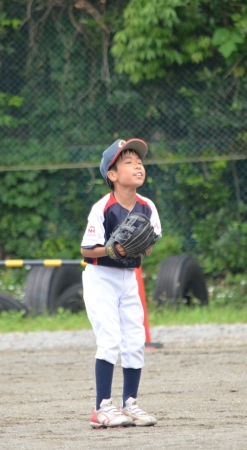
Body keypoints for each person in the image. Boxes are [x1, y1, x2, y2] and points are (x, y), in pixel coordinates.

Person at [80, 138, 162, 428]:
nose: (138, 166)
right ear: (112, 175)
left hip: (129, 279)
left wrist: (141, 245)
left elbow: (148, 246)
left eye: (139, 161)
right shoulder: (103, 207)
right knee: (110, 339)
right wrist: (114, 249)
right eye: (128, 162)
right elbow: (86, 250)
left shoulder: (147, 206)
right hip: (101, 278)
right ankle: (101, 407)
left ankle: (130, 404)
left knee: (135, 341)